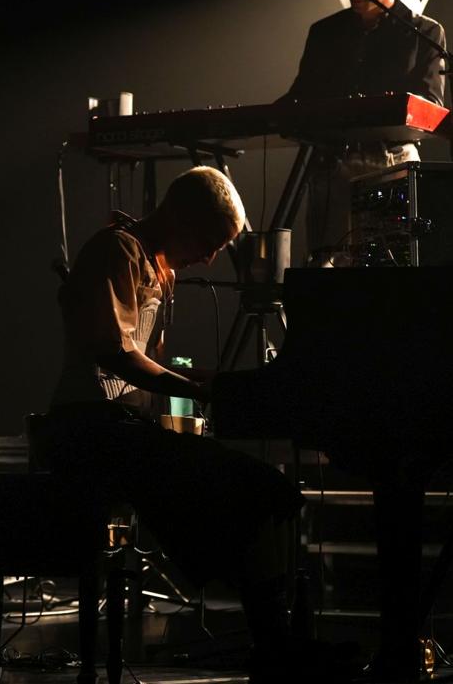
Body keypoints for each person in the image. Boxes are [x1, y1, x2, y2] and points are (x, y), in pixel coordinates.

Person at [44, 167, 320, 682]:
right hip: (89, 428)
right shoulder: (118, 251)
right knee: (256, 490)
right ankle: (275, 645)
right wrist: (198, 390)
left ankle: (279, 640)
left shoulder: (158, 268)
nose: (212, 257)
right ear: (179, 215)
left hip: (120, 429)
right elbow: (117, 355)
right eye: (209, 241)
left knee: (269, 491)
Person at [283, 0, 448, 259]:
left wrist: (394, 107)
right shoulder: (325, 33)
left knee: (392, 270)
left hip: (392, 163)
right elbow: (300, 97)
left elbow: (431, 107)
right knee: (326, 268)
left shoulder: (425, 33)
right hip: (333, 166)